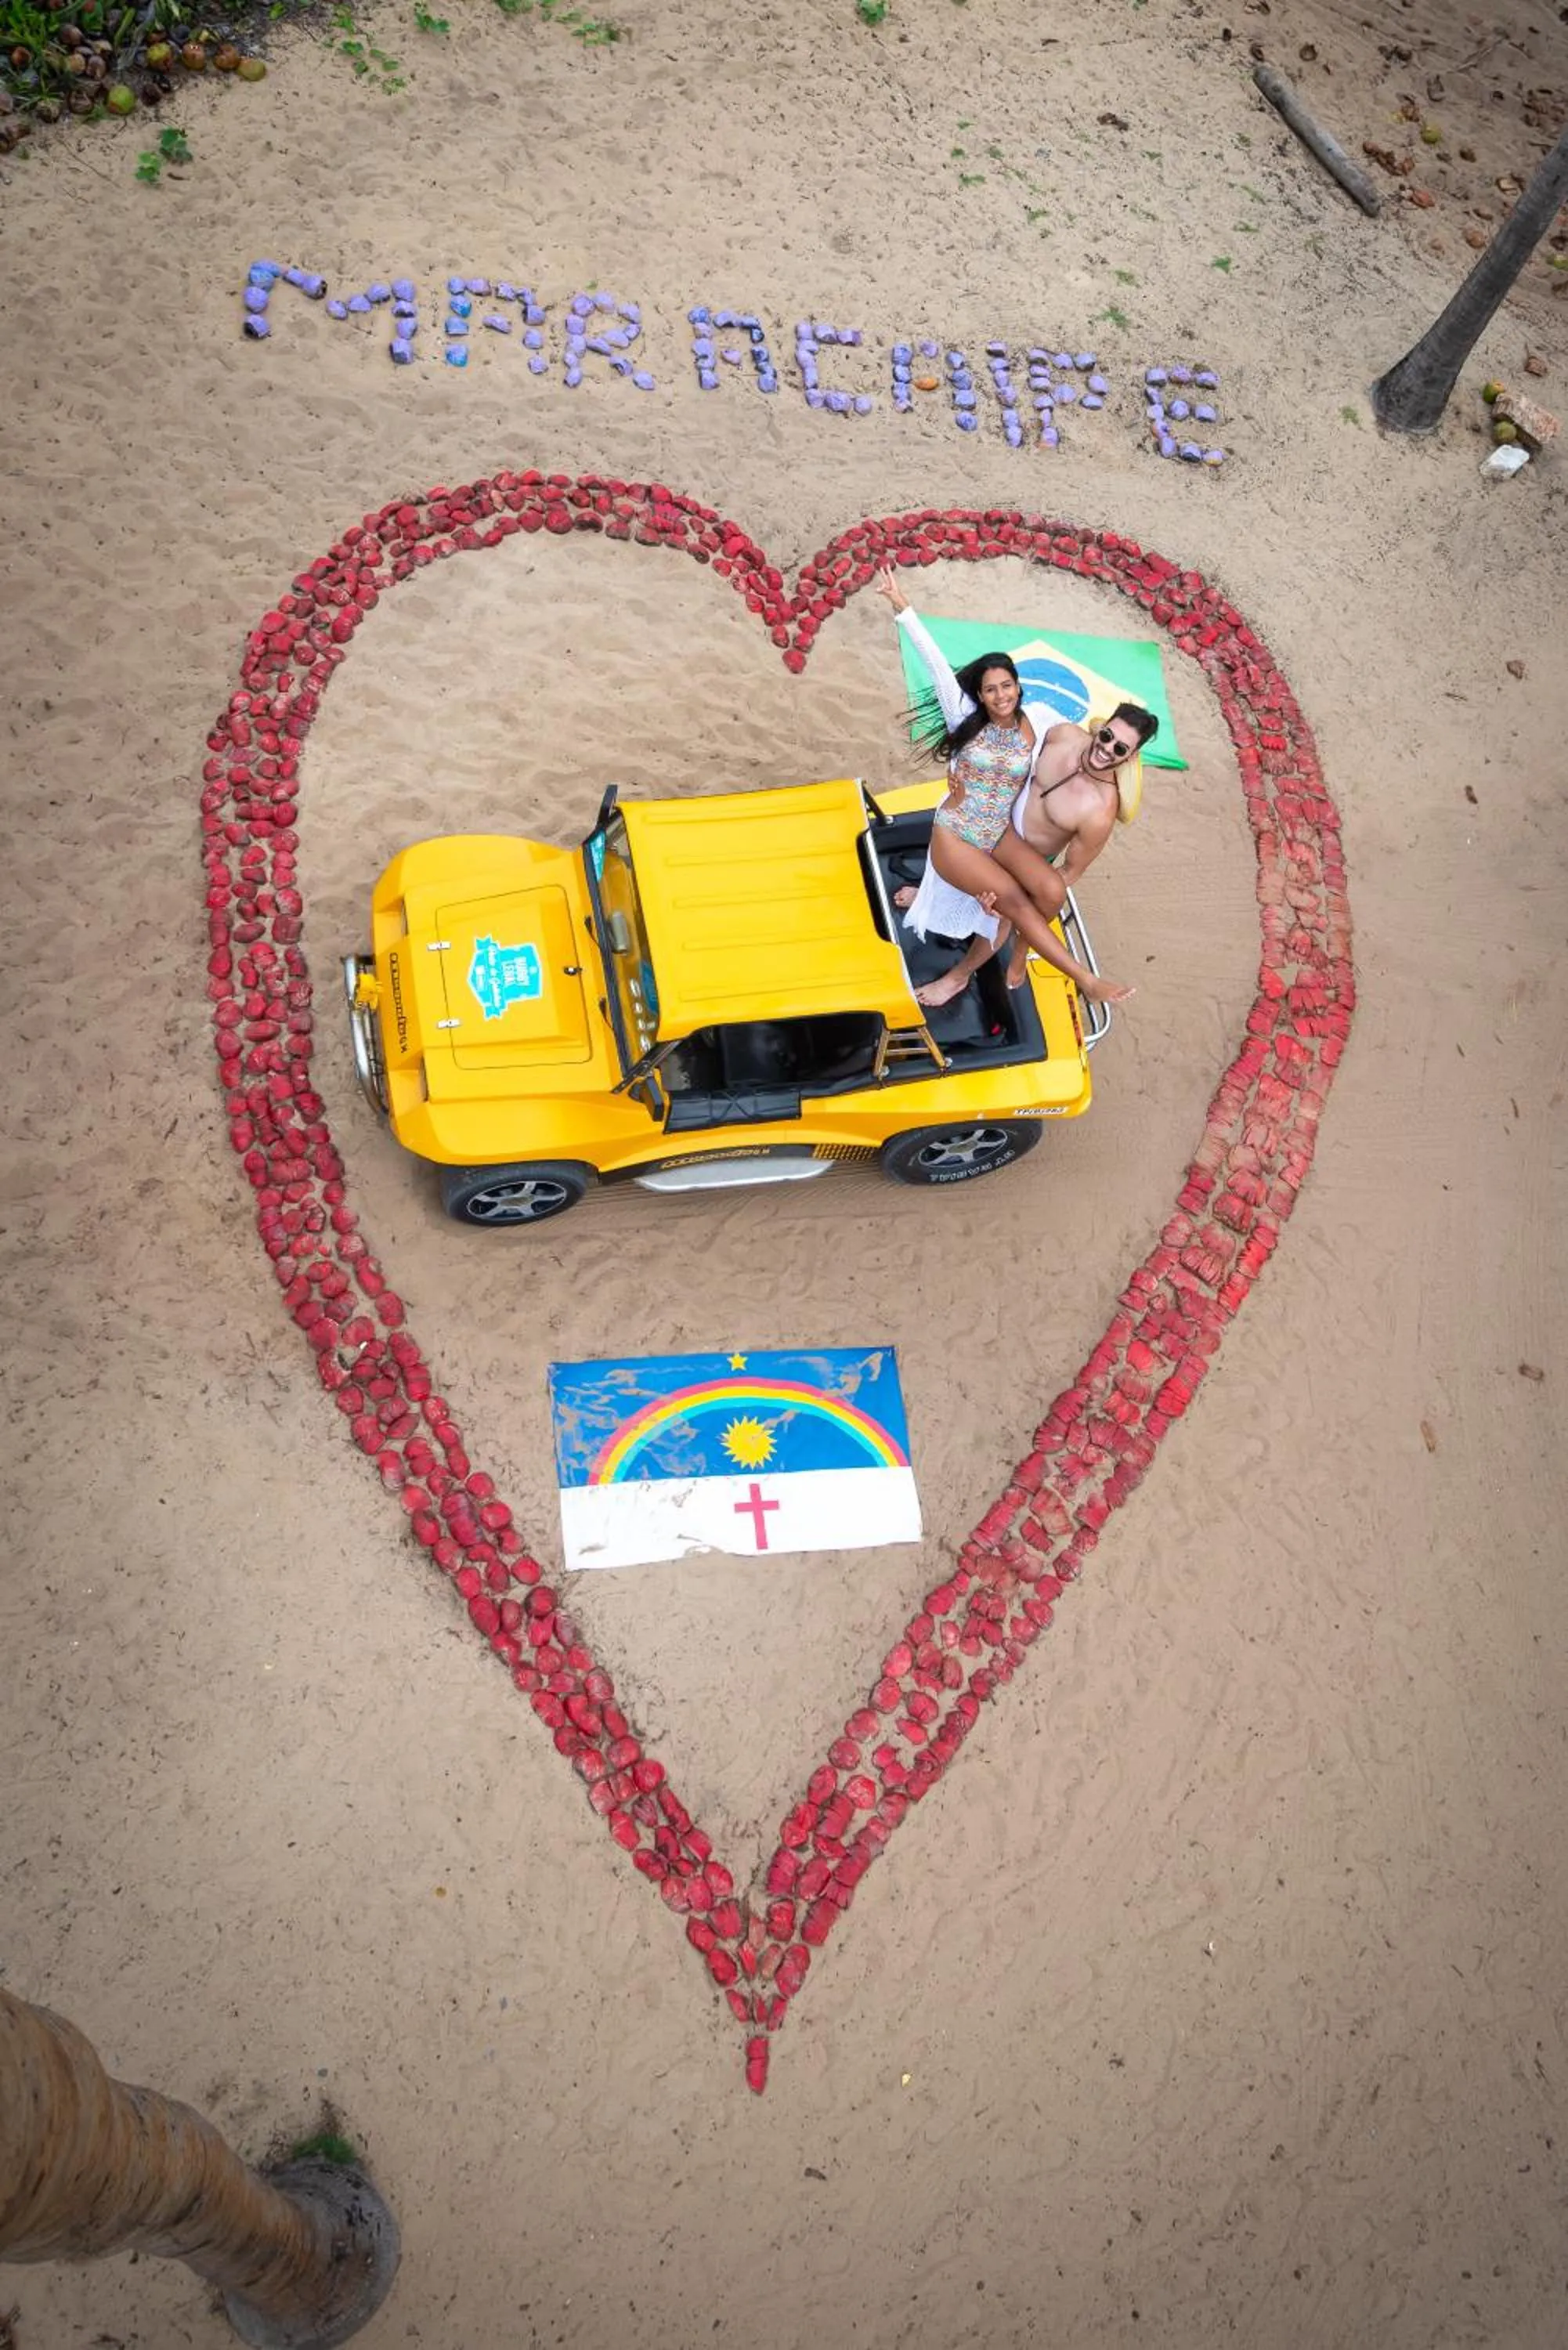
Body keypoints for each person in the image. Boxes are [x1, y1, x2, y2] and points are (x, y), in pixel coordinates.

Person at [876, 566, 1135, 1007]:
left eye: (1007, 686)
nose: (1000, 696)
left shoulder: (1040, 722)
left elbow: (1093, 743)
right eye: (990, 690)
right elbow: (935, 663)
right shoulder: (963, 716)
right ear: (980, 694)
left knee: (1052, 890)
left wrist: (1126, 756)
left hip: (997, 831)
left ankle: (1021, 952)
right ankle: (1082, 978)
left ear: (1019, 686)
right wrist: (903, 608)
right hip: (957, 832)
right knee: (1013, 902)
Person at [907, 694, 1159, 999]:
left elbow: (1070, 871)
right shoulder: (1063, 735)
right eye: (1107, 736)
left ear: (1130, 757)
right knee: (954, 838)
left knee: (1003, 915)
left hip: (1028, 861)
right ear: (1101, 728)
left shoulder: (1099, 811)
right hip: (1000, 825)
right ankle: (929, 899)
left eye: (1120, 748)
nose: (1107, 749)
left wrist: (1022, 914)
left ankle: (960, 976)